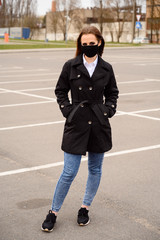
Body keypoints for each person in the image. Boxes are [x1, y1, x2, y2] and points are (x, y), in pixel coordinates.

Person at [41, 26, 119, 232]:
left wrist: (108, 110)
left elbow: (113, 93)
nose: (88, 47)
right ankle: (53, 211)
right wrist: (68, 110)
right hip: (76, 124)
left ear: (99, 43)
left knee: (95, 169)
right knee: (69, 171)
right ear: (80, 44)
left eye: (92, 44)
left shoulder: (107, 68)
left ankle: (84, 208)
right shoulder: (71, 66)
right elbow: (60, 90)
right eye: (84, 44)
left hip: (99, 124)